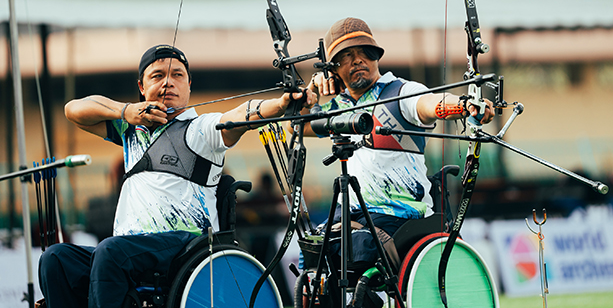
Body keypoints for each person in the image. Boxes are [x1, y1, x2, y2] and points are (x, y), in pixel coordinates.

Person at [38, 44, 315, 308]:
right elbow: (73, 110)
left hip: (181, 245)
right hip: (128, 251)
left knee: (111, 253)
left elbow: (242, 114)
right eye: (157, 75)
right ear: (141, 87)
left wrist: (281, 104)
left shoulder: (201, 129)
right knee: (56, 258)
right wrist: (125, 111)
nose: (168, 82)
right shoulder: (129, 131)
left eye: (177, 75)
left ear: (188, 85)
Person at [306, 17, 495, 272]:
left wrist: (464, 106)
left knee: (361, 249)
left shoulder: (401, 92)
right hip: (350, 215)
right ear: (332, 69)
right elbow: (294, 127)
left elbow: (430, 104)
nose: (358, 60)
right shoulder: (337, 107)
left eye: (365, 52)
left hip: (399, 216)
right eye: (346, 56)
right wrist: (309, 95)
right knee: (312, 252)